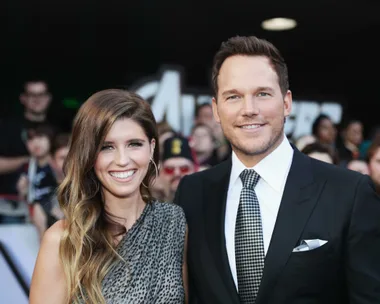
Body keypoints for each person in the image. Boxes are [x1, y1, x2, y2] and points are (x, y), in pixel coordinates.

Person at [174, 35, 380, 304]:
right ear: (216, 109)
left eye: (262, 94)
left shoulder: (349, 193)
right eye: (233, 96)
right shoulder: (192, 193)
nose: (249, 109)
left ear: (286, 103)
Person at [30, 89, 188, 304]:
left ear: (151, 148)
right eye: (106, 147)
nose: (122, 160)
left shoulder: (174, 223)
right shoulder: (63, 240)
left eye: (134, 144)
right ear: (89, 155)